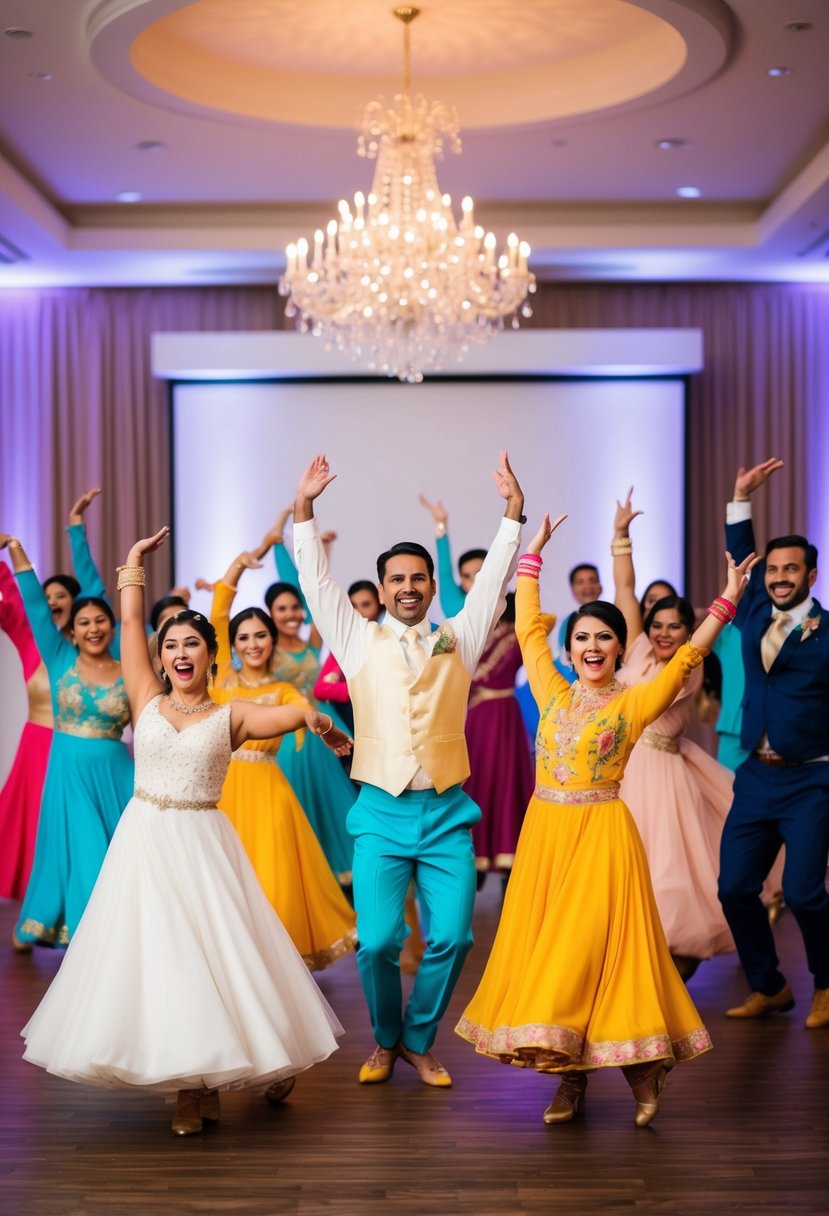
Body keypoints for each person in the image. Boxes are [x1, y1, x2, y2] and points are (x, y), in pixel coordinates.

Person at [21, 526, 349, 1136]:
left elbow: (290, 711)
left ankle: (213, 1077)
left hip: (202, 843)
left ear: (209, 654)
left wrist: (317, 720)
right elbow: (127, 628)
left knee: (217, 959)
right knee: (160, 961)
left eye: (192, 644)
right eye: (170, 643)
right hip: (143, 839)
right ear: (161, 653)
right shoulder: (143, 694)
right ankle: (191, 1085)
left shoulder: (234, 714)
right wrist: (132, 568)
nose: (180, 652)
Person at [456, 512, 757, 1127]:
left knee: (592, 956)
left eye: (604, 639)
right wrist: (532, 555)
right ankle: (571, 1081)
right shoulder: (550, 689)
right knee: (556, 957)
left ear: (622, 647)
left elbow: (688, 656)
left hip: (603, 838)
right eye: (582, 639)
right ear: (568, 649)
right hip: (545, 838)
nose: (591, 648)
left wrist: (728, 597)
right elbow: (527, 631)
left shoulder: (637, 699)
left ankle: (644, 1066)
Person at [294, 452, 524, 1088]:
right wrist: (305, 510)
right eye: (396, 579)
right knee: (377, 944)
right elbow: (316, 583)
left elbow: (492, 584)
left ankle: (420, 1039)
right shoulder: (355, 638)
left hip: (448, 812)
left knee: (453, 937)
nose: (408, 587)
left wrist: (511, 514)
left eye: (418, 577)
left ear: (430, 583)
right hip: (380, 811)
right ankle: (386, 1040)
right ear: (383, 586)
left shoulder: (461, 634)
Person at [718, 458, 829, 1030]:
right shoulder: (754, 610)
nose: (780, 576)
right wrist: (741, 498)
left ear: (811, 575)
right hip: (755, 776)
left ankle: (826, 983)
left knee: (806, 894)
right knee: (734, 888)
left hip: (811, 779)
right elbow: (743, 556)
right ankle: (770, 986)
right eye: (775, 569)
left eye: (792, 569)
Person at [209, 546, 357, 969]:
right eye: (244, 637)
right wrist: (237, 567)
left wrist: (325, 728)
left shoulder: (283, 690)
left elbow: (304, 713)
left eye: (260, 635)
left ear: (272, 640)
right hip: (220, 794)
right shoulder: (219, 677)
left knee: (271, 883)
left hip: (269, 796)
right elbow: (220, 610)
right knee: (224, 883)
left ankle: (269, 969)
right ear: (232, 644)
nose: (253, 643)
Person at [611, 489, 737, 979]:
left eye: (675, 626)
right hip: (621, 771)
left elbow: (653, 700)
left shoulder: (688, 669)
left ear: (690, 632)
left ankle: (666, 981)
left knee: (666, 880)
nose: (663, 633)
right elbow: (625, 593)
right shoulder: (637, 651)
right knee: (618, 877)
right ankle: (630, 978)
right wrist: (621, 536)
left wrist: (728, 595)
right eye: (657, 624)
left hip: (660, 777)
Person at [3, 535, 134, 947]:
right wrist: (16, 550)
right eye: (84, 622)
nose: (93, 628)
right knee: (88, 855)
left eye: (100, 621)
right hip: (70, 774)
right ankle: (92, 942)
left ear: (112, 627)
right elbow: (37, 609)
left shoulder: (130, 669)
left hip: (119, 775)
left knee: (125, 859)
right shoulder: (59, 660)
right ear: (72, 632)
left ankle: (126, 939)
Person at [465, 592, 534, 890]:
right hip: (477, 717)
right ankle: (474, 858)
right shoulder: (481, 634)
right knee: (477, 781)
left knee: (506, 782)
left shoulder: (520, 633)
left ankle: (512, 860)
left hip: (501, 716)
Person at [0, 562, 52, 914]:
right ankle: (33, 912)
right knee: (31, 830)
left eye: (64, 598)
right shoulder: (30, 640)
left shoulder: (92, 645)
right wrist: (3, 564)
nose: (55, 603)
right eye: (50, 598)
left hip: (76, 748)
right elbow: (12, 607)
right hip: (37, 748)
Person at [418, 493, 485, 618]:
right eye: (466, 576)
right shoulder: (454, 605)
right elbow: (444, 571)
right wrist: (440, 523)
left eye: (478, 574)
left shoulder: (508, 603)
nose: (473, 581)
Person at [554, 563, 603, 684]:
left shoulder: (613, 617)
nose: (588, 586)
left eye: (592, 580)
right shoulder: (567, 623)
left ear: (600, 586)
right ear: (573, 589)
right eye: (580, 582)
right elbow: (565, 660)